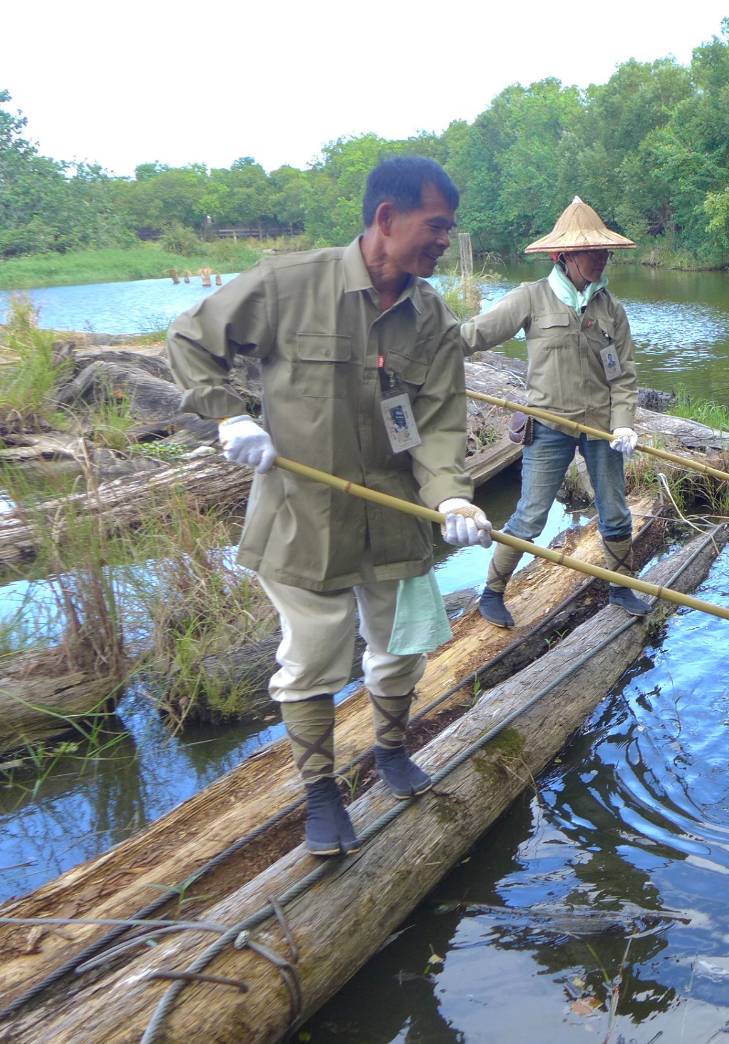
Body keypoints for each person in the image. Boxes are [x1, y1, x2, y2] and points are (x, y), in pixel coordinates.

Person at [167, 156, 493, 857]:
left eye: (448, 229)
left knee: (402, 650)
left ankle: (391, 750)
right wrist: (229, 417)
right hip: (301, 513)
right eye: (435, 227)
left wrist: (453, 496)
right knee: (313, 658)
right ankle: (320, 792)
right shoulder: (291, 283)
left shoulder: (432, 316)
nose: (444, 241)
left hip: (397, 512)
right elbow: (192, 340)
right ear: (386, 218)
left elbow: (437, 426)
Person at [460, 197, 650, 627]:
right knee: (530, 514)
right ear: (563, 256)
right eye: (592, 253)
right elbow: (474, 334)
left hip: (602, 428)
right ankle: (491, 593)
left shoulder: (611, 309)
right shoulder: (531, 298)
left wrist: (623, 424)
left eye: (605, 253)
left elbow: (623, 377)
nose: (602, 260)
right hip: (548, 425)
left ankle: (621, 586)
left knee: (616, 511)